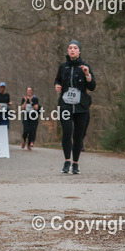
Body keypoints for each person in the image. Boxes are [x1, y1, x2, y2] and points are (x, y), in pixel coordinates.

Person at [55, 42, 95, 173]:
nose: (72, 50)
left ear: (79, 51)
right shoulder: (63, 67)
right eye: (70, 48)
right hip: (65, 105)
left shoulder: (85, 67)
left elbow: (92, 87)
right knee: (67, 132)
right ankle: (67, 161)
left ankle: (75, 163)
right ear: (68, 51)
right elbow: (57, 80)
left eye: (75, 48)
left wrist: (87, 75)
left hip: (81, 106)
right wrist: (57, 85)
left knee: (78, 135)